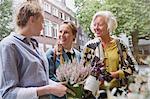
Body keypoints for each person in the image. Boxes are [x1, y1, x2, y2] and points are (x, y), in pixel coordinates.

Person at [0, 1, 67, 99]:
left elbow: (40, 80)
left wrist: (56, 85)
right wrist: (49, 89)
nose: (43, 27)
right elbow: (8, 94)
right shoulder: (8, 46)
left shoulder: (34, 44)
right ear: (32, 20)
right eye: (42, 22)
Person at [82, 11, 136, 90]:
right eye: (94, 25)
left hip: (119, 92)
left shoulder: (120, 44)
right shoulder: (89, 46)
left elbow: (133, 67)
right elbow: (83, 72)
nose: (96, 28)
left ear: (109, 26)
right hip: (95, 93)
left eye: (100, 25)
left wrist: (116, 74)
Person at [46, 21, 81, 98]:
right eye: (60, 31)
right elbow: (47, 77)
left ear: (74, 36)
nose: (62, 35)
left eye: (66, 32)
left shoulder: (78, 55)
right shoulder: (51, 54)